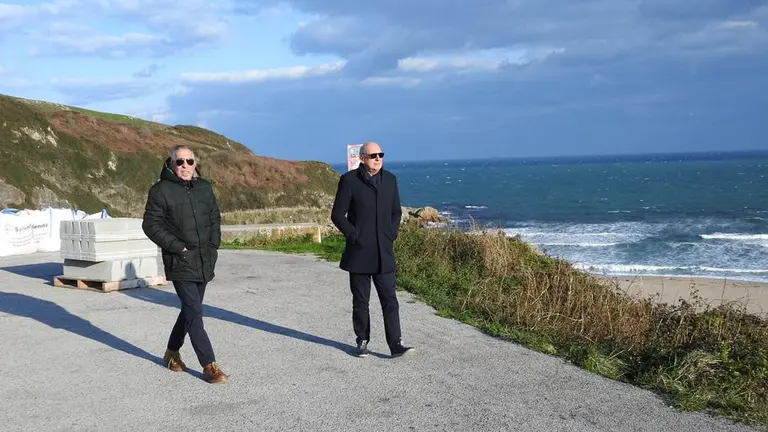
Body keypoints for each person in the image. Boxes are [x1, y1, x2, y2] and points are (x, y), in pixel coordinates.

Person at [142, 145, 228, 384]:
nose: (185, 166)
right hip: (180, 261)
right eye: (180, 162)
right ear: (171, 164)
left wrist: (214, 245)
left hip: (204, 260)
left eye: (189, 161)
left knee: (190, 311)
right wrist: (178, 247)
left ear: (195, 163)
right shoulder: (160, 191)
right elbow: (150, 225)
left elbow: (214, 217)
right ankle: (209, 365)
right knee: (194, 312)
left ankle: (171, 353)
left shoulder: (204, 187)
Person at [331, 141, 415, 358]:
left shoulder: (390, 180)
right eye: (373, 155)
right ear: (362, 158)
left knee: (390, 300)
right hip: (359, 252)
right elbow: (338, 215)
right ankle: (362, 341)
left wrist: (391, 233)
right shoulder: (349, 181)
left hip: (384, 253)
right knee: (361, 301)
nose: (378, 159)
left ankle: (395, 344)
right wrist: (354, 235)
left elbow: (396, 212)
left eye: (381, 155)